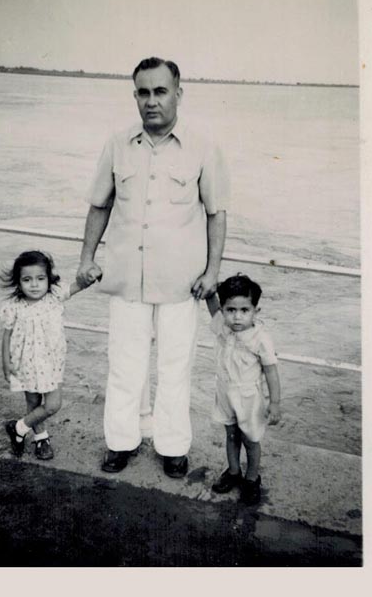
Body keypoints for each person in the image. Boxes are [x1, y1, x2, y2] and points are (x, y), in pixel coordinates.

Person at [76, 56, 230, 478]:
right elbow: (99, 204)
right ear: (135, 96)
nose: (151, 101)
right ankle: (120, 442)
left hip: (183, 283)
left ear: (179, 93)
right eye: (143, 92)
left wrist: (212, 272)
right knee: (125, 366)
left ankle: (173, 447)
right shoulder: (117, 142)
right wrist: (86, 258)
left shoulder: (203, 146)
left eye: (160, 91)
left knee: (175, 368)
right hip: (126, 278)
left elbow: (216, 214)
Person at [0, 250, 95, 460]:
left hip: (52, 362)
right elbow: (6, 335)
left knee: (52, 404)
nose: (34, 284)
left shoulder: (55, 296)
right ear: (19, 282)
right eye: (27, 279)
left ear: (48, 279)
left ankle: (18, 428)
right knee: (33, 403)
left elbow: (79, 285)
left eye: (40, 278)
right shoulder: (13, 307)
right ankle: (41, 438)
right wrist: (6, 362)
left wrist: (90, 275)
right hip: (25, 362)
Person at [206, 273, 281, 505]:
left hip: (249, 397)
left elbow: (270, 371)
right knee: (230, 434)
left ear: (255, 311)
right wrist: (208, 282)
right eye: (231, 310)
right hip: (225, 392)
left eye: (244, 310)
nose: (237, 317)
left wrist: (275, 403)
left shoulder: (260, 338)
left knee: (251, 439)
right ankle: (234, 471)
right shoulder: (223, 326)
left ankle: (251, 478)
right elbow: (211, 302)